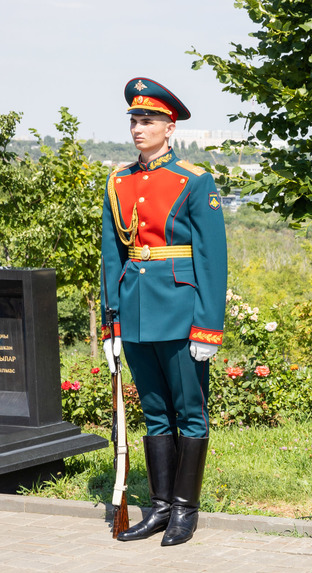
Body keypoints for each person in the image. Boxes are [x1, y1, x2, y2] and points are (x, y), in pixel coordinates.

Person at [100, 77, 228, 546]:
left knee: (190, 412)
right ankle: (159, 507)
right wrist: (111, 321)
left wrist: (207, 327)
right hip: (134, 311)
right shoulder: (119, 181)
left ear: (168, 128)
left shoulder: (194, 181)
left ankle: (185, 511)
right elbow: (112, 255)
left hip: (180, 309)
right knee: (155, 413)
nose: (138, 127)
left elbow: (213, 259)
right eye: (134, 119)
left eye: (148, 120)